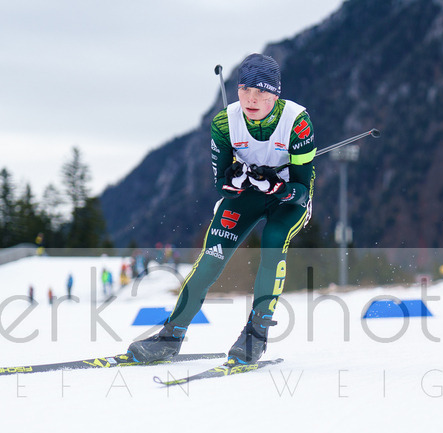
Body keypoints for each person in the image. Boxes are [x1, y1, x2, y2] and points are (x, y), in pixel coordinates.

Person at [129, 53, 316, 364]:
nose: (251, 99)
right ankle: (170, 336)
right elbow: (220, 184)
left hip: (287, 202)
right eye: (245, 90)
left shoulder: (297, 122)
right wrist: (235, 178)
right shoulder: (224, 122)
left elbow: (302, 189)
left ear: (275, 94)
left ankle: (255, 336)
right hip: (248, 197)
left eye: (261, 92)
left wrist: (277, 186)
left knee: (272, 243)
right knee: (211, 259)